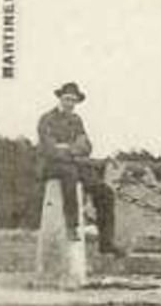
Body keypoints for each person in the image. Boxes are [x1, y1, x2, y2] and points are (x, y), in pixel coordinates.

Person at [37, 81, 123, 256]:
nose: (70, 103)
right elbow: (49, 148)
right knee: (69, 175)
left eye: (73, 100)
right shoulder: (47, 119)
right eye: (67, 99)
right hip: (52, 166)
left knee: (105, 192)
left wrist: (68, 148)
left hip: (74, 163)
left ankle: (106, 242)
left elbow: (87, 146)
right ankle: (72, 226)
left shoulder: (76, 120)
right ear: (60, 99)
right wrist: (73, 150)